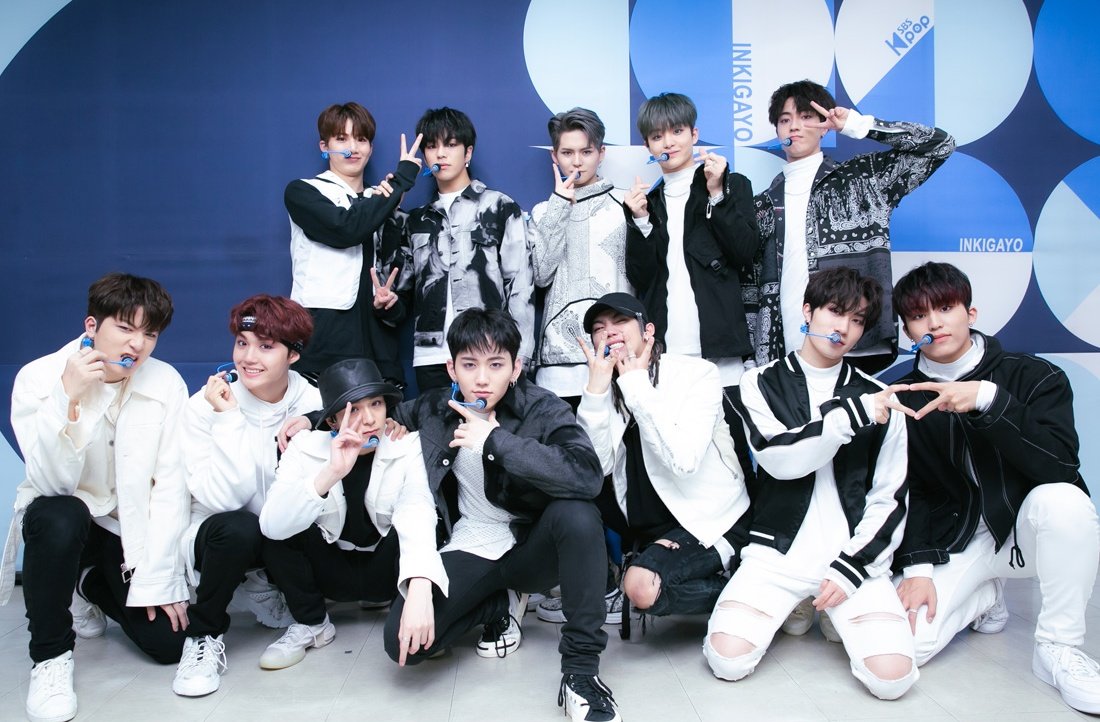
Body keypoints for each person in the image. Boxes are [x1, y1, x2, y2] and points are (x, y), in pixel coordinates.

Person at [382, 308, 621, 722]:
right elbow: (376, 418)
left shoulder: (542, 408)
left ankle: (581, 674)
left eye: (495, 365)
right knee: (404, 645)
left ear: (515, 368)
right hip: (473, 543)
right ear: (451, 369)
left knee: (578, 513)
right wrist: (313, 422)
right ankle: (497, 607)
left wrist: (495, 440)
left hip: (532, 549)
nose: (482, 378)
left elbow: (586, 476)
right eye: (469, 365)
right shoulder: (434, 407)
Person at [891, 261, 1100, 714]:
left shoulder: (1034, 376)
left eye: (945, 308)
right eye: (919, 315)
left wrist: (990, 400)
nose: (934, 323)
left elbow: (1060, 466)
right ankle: (985, 596)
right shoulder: (900, 394)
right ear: (908, 331)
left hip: (1025, 532)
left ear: (971, 313)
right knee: (906, 647)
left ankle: (1059, 648)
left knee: (1066, 501)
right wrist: (918, 568)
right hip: (955, 539)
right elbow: (907, 489)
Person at [705, 268, 917, 701]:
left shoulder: (880, 396)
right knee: (727, 660)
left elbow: (890, 498)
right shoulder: (759, 382)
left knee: (892, 680)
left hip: (851, 561)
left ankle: (833, 609)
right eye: (835, 311)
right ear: (807, 311)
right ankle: (797, 603)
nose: (843, 328)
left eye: (857, 320)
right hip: (775, 557)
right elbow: (778, 459)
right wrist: (848, 417)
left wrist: (854, 567)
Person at [1, 273, 190, 722]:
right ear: (92, 326)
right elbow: (51, 481)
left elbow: (171, 487)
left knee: (168, 644)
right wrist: (70, 397)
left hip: (124, 528)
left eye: (150, 334)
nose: (138, 345)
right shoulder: (39, 377)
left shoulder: (166, 383)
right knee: (61, 514)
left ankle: (86, 584)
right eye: (125, 328)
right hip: (62, 518)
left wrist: (161, 580)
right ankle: (50, 657)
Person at [569, 292, 750, 635]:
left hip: (713, 520)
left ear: (648, 331)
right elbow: (594, 470)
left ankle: (754, 596)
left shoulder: (696, 374)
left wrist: (635, 385)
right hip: (653, 529)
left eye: (620, 322)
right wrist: (594, 393)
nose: (609, 331)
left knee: (641, 587)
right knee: (640, 584)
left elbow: (684, 461)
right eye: (599, 328)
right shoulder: (604, 387)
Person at [748, 79, 955, 373]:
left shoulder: (864, 179)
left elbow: (940, 146)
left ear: (824, 126)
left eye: (806, 116)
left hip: (853, 346)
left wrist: (857, 125)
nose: (794, 126)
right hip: (781, 351)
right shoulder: (762, 204)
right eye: (785, 120)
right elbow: (749, 286)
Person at [173, 294, 320, 696]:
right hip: (218, 534)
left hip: (279, 536)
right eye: (242, 342)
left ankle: (284, 598)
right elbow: (223, 500)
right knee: (240, 527)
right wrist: (228, 419)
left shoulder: (312, 402)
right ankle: (203, 636)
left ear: (293, 355)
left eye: (266, 346)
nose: (248, 357)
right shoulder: (205, 407)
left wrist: (312, 423)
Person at [257, 358, 441, 671]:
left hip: (387, 574)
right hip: (330, 571)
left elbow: (417, 509)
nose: (369, 419)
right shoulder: (304, 447)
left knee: (426, 520)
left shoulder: (407, 444)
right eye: (353, 409)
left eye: (376, 404)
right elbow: (271, 526)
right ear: (331, 420)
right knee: (285, 516)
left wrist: (421, 587)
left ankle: (407, 610)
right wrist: (330, 473)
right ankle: (312, 624)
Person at [623, 91, 757, 482]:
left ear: (694, 134)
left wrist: (717, 194)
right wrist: (641, 221)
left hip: (721, 356)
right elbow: (641, 279)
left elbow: (745, 252)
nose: (668, 142)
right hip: (668, 357)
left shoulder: (731, 184)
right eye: (657, 136)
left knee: (733, 459)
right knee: (674, 465)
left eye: (677, 131)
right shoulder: (646, 203)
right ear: (648, 146)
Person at [373, 107, 534, 393]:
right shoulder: (416, 219)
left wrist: (519, 356)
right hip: (431, 356)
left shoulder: (499, 207)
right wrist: (388, 210)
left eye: (450, 144)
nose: (440, 154)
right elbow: (397, 296)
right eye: (431, 146)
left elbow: (521, 285)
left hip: (488, 354)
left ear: (468, 152)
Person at [286, 101, 421, 384]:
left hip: (379, 352)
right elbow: (346, 229)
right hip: (322, 345)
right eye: (341, 138)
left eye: (361, 139)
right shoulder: (303, 192)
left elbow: (402, 293)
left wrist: (390, 304)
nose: (352, 148)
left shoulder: (387, 206)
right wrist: (399, 183)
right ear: (324, 146)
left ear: (370, 148)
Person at [529, 108, 632, 408]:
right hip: (558, 364)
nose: (577, 162)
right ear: (554, 156)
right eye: (567, 152)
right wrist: (560, 205)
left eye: (586, 152)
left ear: (601, 153)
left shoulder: (626, 204)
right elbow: (541, 275)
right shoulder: (543, 212)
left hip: (617, 355)